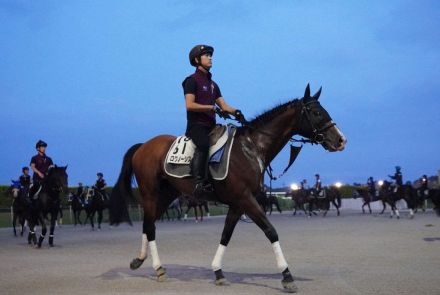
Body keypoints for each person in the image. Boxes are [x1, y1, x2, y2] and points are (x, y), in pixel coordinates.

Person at [182, 44, 245, 197]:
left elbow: (223, 105)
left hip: (211, 126)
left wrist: (236, 111)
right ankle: (199, 183)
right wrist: (210, 108)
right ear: (197, 60)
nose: (210, 58)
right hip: (196, 126)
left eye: (211, 55)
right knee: (204, 144)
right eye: (207, 55)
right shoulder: (191, 80)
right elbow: (189, 105)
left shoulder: (213, 84)